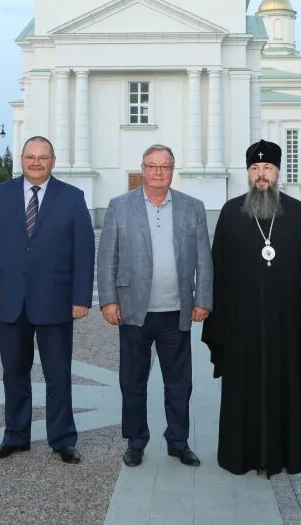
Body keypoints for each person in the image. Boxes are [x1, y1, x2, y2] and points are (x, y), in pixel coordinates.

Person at [201, 139, 301, 477]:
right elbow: (218, 271)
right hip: (242, 328)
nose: (261, 174)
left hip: (288, 326)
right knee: (244, 391)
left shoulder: (298, 213)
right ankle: (240, 454)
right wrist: (219, 323)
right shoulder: (230, 212)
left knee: (287, 386)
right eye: (255, 168)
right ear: (248, 173)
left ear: (277, 172)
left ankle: (289, 452)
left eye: (267, 168)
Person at [0, 135, 95, 465]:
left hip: (56, 301)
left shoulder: (72, 197)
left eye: (43, 157)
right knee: (13, 373)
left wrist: (81, 297)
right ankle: (15, 436)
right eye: (31, 157)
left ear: (53, 161)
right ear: (22, 159)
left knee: (58, 375)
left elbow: (84, 251)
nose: (36, 163)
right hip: (9, 300)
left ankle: (62, 439)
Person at [97, 144, 212, 468]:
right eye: (152, 166)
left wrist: (202, 299)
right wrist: (108, 299)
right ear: (143, 169)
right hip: (134, 311)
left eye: (165, 166)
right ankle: (136, 441)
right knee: (133, 381)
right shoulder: (120, 206)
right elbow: (107, 257)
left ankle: (178, 441)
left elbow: (204, 258)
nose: (158, 172)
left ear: (172, 170)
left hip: (176, 311)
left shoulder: (193, 207)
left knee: (180, 384)